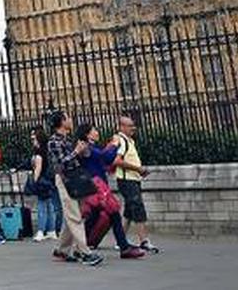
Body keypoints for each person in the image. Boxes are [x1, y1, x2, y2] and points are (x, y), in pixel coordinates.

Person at [76, 123, 145, 259]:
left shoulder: (90, 147)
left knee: (94, 216)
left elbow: (104, 160)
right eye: (94, 130)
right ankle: (124, 247)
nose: (97, 132)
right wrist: (114, 144)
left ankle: (80, 244)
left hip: (97, 185)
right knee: (113, 213)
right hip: (95, 186)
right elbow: (105, 157)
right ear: (87, 134)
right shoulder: (86, 148)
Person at [46, 110, 103, 267]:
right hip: (64, 179)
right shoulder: (53, 142)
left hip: (76, 177)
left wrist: (84, 151)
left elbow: (79, 157)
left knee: (71, 216)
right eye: (68, 118)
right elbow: (59, 164)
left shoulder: (68, 139)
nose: (71, 120)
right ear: (62, 122)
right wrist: (75, 152)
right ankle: (84, 252)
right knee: (75, 216)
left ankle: (61, 250)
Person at [113, 116, 158, 253]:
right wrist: (138, 169)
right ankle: (144, 241)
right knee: (138, 208)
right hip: (127, 180)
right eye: (129, 125)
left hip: (132, 179)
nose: (133, 128)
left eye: (133, 125)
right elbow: (117, 161)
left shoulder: (129, 141)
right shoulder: (120, 140)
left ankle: (120, 240)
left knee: (129, 211)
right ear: (121, 127)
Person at [28, 128, 60, 241]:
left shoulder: (39, 151)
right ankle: (52, 230)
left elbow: (38, 167)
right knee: (50, 206)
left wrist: (34, 182)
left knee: (42, 206)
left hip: (42, 181)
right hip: (49, 180)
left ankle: (41, 231)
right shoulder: (47, 149)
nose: (32, 138)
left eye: (33, 136)